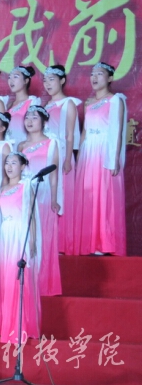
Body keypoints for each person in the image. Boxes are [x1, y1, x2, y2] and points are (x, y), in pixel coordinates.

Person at [74, 62, 127, 256]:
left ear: (110, 78)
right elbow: (84, 132)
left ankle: (105, 244)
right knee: (89, 196)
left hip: (105, 151)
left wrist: (114, 158)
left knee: (104, 196)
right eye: (92, 74)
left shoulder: (115, 100)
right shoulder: (88, 103)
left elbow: (116, 130)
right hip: (89, 151)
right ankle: (89, 243)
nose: (94, 77)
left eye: (100, 74)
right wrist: (79, 158)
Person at [0, 152, 41, 343]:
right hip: (5, 235)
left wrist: (32, 240)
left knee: (18, 279)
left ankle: (20, 327)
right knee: (5, 279)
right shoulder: (2, 188)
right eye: (7, 163)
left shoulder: (26, 186)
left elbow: (31, 215)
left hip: (20, 233)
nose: (9, 166)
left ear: (22, 166)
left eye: (14, 163)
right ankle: (6, 325)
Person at [17, 106, 61, 296]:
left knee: (44, 237)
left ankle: (44, 284)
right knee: (28, 236)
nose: (29, 120)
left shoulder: (52, 143)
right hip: (26, 195)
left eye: (34, 117)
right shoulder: (21, 146)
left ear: (44, 122)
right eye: (27, 117)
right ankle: (29, 283)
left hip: (43, 194)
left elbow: (54, 175)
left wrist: (54, 198)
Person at [42, 65, 82, 255]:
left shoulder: (68, 103)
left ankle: (64, 244)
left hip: (63, 153)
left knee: (63, 196)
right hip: (47, 154)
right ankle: (49, 242)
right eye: (45, 80)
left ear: (62, 81)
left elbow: (70, 134)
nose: (48, 84)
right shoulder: (45, 106)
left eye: (52, 79)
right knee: (49, 194)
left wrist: (67, 159)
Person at [5, 66, 41, 144]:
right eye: (9, 77)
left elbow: (36, 128)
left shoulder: (32, 102)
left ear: (26, 80)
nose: (11, 80)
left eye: (15, 77)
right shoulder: (9, 105)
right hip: (8, 145)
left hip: (23, 144)